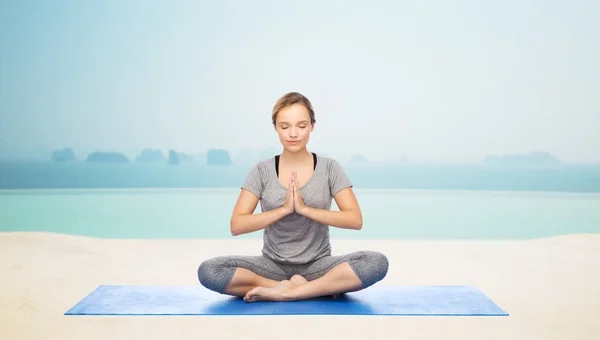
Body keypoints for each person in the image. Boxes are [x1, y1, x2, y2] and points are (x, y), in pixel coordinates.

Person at [197, 92, 389, 302]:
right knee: (210, 270)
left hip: (319, 266)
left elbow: (355, 220)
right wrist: (284, 210)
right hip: (271, 266)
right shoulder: (262, 170)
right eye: (285, 126)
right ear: (276, 128)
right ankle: (300, 288)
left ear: (312, 126)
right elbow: (237, 225)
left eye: (301, 125)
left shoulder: (330, 168)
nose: (293, 134)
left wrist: (306, 210)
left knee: (375, 262)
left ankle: (289, 292)